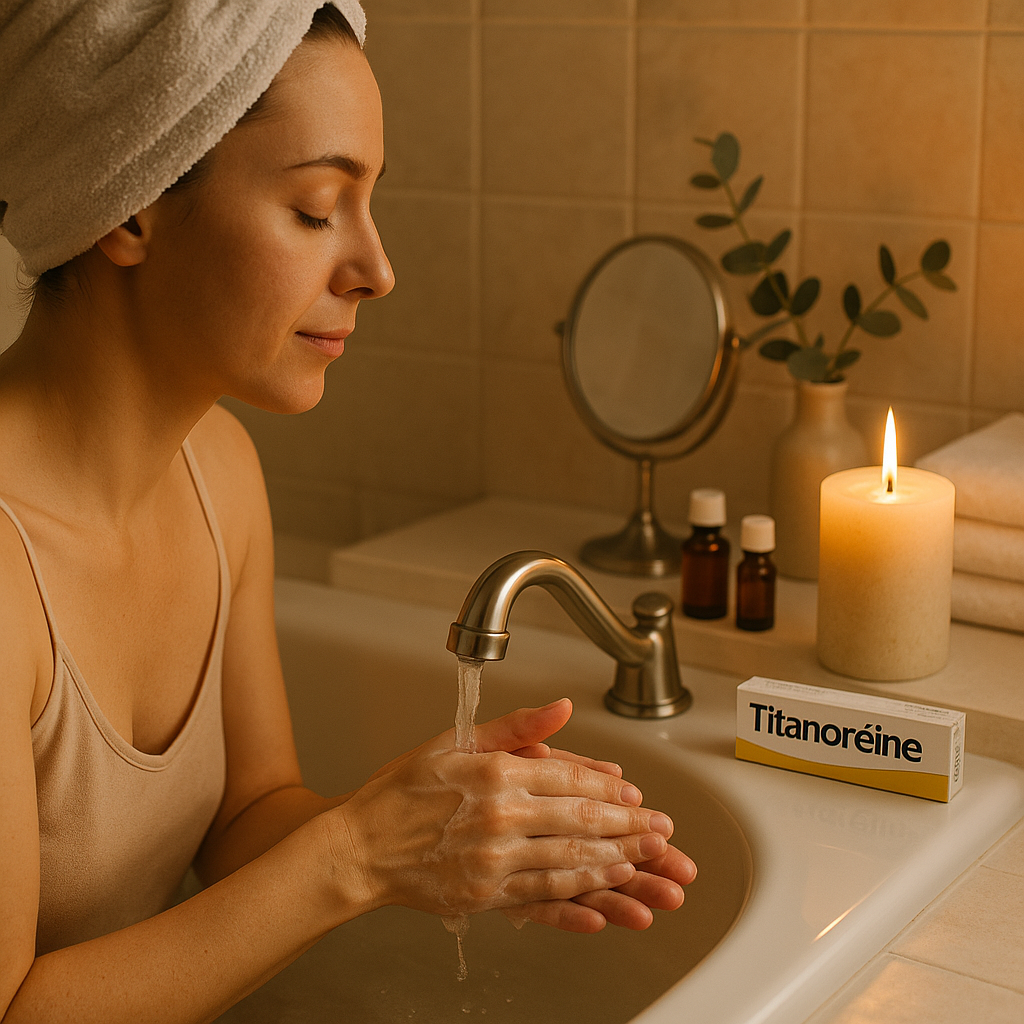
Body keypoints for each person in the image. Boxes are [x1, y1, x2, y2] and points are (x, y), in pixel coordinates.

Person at [0, 3, 697, 1020]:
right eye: (319, 208)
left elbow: (247, 814)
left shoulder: (218, 471)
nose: (376, 269)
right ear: (134, 205)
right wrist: (360, 853)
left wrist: (448, 838)